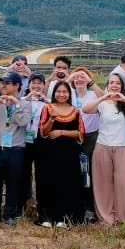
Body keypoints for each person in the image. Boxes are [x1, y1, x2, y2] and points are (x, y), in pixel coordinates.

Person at [83, 74, 125, 226]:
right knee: (103, 184)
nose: (114, 85)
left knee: (124, 184)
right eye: (111, 83)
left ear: (123, 86)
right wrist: (103, 97)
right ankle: (106, 217)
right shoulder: (102, 104)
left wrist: (124, 99)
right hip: (103, 147)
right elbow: (86, 109)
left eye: (117, 83)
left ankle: (124, 217)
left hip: (124, 147)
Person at [0, 71, 31, 226]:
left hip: (15, 149)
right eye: (2, 83)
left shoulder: (25, 104)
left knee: (13, 183)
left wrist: (15, 105)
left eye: (7, 83)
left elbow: (22, 122)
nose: (3, 86)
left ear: (16, 86)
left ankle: (10, 214)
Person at [38, 81, 84, 227]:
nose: (61, 94)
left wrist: (62, 132)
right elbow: (43, 132)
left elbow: (81, 133)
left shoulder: (76, 111)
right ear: (54, 93)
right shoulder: (47, 108)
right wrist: (52, 119)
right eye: (59, 91)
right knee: (48, 182)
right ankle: (46, 217)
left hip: (69, 154)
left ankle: (64, 218)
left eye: (65, 92)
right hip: (49, 153)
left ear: (70, 94)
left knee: (67, 183)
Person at [71, 68, 100, 221]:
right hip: (72, 137)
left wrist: (90, 82)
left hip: (91, 137)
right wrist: (70, 77)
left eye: (83, 77)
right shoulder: (68, 93)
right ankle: (74, 206)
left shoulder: (93, 94)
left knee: (88, 172)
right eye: (76, 77)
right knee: (73, 172)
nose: (79, 79)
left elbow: (106, 98)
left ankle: (89, 208)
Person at [19, 71, 47, 223]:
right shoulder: (23, 100)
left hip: (41, 141)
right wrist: (27, 98)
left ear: (44, 86)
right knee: (24, 173)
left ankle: (41, 207)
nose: (36, 86)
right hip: (24, 140)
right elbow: (16, 106)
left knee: (41, 173)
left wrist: (46, 99)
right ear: (29, 85)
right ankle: (24, 204)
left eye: (39, 83)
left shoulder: (47, 102)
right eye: (33, 83)